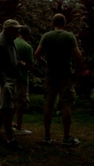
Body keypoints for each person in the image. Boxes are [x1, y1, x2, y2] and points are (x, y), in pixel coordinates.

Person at [35, 13, 82, 146]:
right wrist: (76, 70)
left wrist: (45, 64)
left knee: (49, 103)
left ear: (52, 23)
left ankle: (47, 136)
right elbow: (78, 56)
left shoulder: (46, 36)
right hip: (65, 74)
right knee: (65, 104)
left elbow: (37, 54)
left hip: (50, 75)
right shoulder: (69, 36)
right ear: (65, 23)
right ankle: (67, 137)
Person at [0, 19, 23, 150]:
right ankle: (10, 139)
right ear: (8, 30)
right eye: (15, 29)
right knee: (8, 109)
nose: (17, 32)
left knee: (5, 107)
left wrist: (17, 64)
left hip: (9, 78)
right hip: (5, 80)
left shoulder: (9, 40)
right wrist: (3, 83)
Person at [13, 25, 33, 135]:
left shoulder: (12, 42)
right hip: (22, 78)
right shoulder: (27, 46)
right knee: (21, 103)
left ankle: (9, 124)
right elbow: (30, 66)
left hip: (10, 77)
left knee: (11, 101)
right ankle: (19, 126)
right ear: (27, 34)